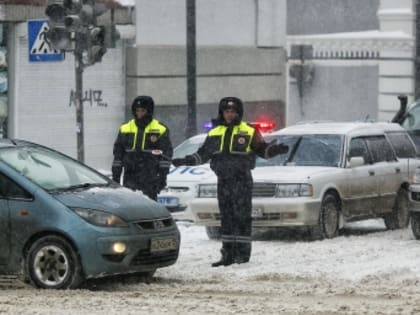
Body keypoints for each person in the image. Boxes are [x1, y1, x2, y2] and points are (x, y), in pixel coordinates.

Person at [172, 97, 288, 267]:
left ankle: (242, 255)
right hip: (223, 180)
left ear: (239, 113)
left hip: (242, 180)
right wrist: (184, 161)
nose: (230, 114)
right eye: (227, 111)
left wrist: (275, 150)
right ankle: (227, 254)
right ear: (222, 113)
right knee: (226, 218)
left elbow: (263, 150)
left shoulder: (249, 131)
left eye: (233, 111)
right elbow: (202, 155)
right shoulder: (215, 132)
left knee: (242, 217)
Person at [112, 95, 173, 201]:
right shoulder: (125, 128)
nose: (139, 114)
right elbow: (118, 153)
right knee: (129, 205)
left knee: (149, 209)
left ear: (149, 111)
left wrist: (162, 176)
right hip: (130, 175)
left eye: (142, 111)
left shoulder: (160, 129)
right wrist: (116, 175)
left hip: (150, 176)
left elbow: (166, 154)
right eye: (137, 110)